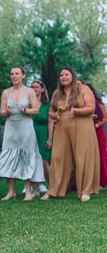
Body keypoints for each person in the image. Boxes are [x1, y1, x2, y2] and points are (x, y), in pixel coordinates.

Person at [42, 67, 100, 202]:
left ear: (73, 76)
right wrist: (54, 115)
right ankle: (53, 190)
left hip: (82, 126)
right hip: (62, 128)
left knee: (82, 157)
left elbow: (91, 108)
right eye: (61, 75)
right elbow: (50, 111)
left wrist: (78, 111)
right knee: (57, 158)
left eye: (66, 74)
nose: (63, 77)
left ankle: (85, 191)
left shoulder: (83, 89)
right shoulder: (57, 92)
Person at [0, 67, 45, 201]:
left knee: (26, 156)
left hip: (25, 127)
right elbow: (2, 112)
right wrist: (7, 112)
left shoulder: (29, 91)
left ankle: (28, 191)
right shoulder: (6, 92)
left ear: (23, 76)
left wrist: (25, 110)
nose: (14, 76)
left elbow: (36, 110)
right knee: (10, 156)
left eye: (17, 74)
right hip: (11, 127)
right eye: (12, 74)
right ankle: (11, 191)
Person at [31, 80, 53, 191]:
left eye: (37, 87)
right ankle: (34, 186)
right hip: (30, 133)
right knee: (31, 160)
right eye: (32, 87)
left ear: (42, 89)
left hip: (43, 133)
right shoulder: (28, 104)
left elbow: (50, 122)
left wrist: (50, 139)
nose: (34, 89)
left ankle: (52, 187)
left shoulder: (48, 104)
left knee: (44, 162)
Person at [87, 84, 107, 188]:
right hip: (86, 131)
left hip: (98, 131)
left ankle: (102, 181)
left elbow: (105, 119)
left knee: (101, 154)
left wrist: (96, 125)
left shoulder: (99, 103)